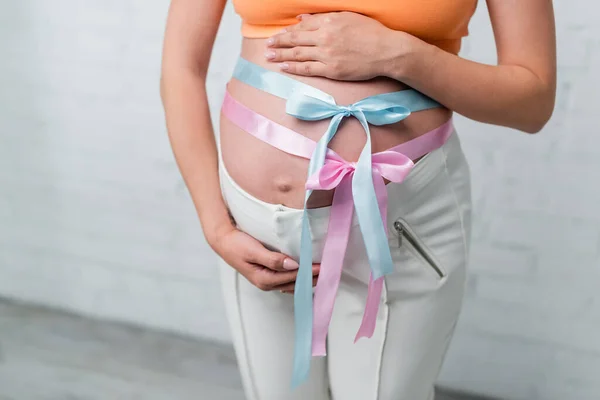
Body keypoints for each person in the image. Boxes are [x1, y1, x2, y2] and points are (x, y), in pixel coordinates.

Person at [160, 0, 556, 398]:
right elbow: (181, 65)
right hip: (256, 231)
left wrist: (399, 55)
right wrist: (216, 225)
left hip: (405, 229)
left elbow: (533, 102)